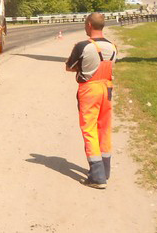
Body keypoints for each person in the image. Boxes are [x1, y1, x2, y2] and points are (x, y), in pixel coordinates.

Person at [65, 12, 117, 189]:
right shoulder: (113, 46)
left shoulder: (82, 46)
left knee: (89, 129)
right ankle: (105, 171)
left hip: (89, 89)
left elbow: (69, 67)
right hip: (107, 88)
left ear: (88, 25)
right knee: (104, 129)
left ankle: (97, 177)